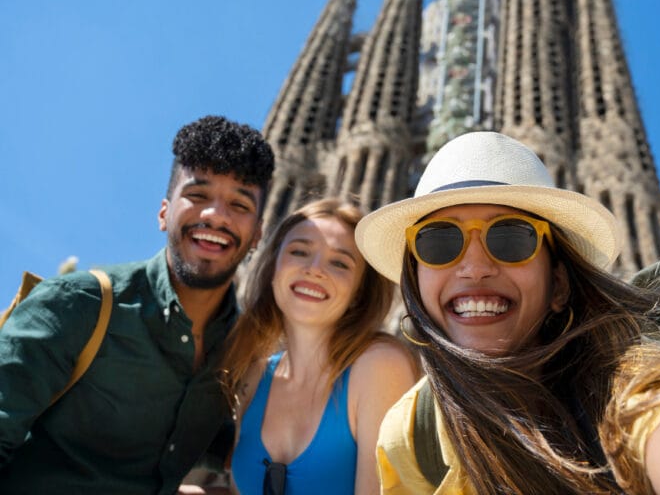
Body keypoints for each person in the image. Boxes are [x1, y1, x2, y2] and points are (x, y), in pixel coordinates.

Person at [354, 131, 660, 494]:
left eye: (512, 239)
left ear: (559, 284)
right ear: (416, 281)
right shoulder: (414, 432)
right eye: (438, 243)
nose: (474, 267)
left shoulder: (621, 368)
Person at [0, 115, 275, 494]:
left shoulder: (241, 357)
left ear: (258, 233)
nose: (216, 215)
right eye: (197, 196)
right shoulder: (80, 305)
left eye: (240, 204)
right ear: (164, 212)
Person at [222, 198, 418, 495]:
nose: (315, 269)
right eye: (299, 252)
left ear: (358, 292)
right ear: (274, 267)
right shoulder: (254, 376)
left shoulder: (378, 367)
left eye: (339, 263)